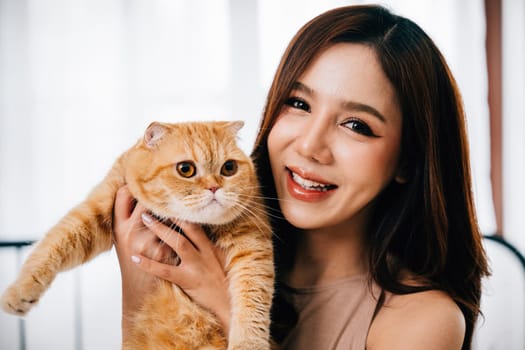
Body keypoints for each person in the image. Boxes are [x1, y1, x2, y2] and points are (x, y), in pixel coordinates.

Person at [113, 4, 489, 349]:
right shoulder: (191, 248)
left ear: (408, 160)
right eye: (298, 104)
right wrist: (138, 286)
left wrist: (229, 310)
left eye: (356, 124)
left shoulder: (423, 320)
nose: (310, 145)